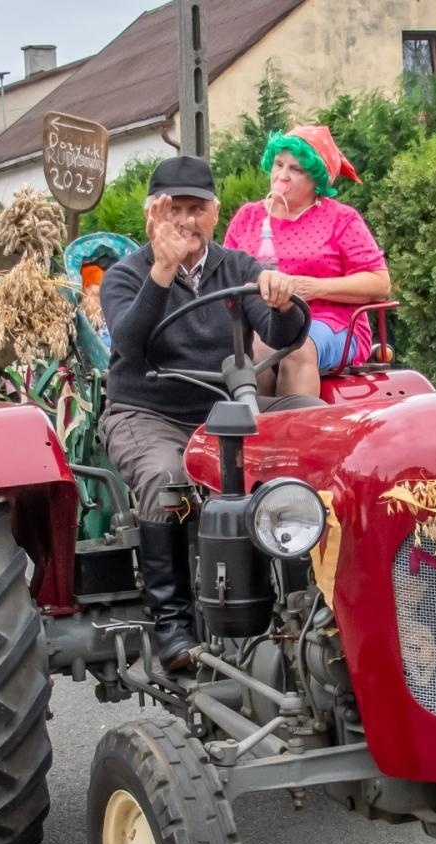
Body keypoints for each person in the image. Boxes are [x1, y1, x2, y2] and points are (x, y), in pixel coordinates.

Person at [99, 154, 311, 672]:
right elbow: (129, 344)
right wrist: (162, 272)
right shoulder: (124, 277)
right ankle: (172, 623)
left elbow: (283, 334)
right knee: (166, 478)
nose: (186, 221)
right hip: (148, 412)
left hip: (225, 412)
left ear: (215, 214)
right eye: (175, 209)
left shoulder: (237, 267)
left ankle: (313, 602)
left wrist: (284, 304)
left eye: (197, 208)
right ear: (153, 215)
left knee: (311, 424)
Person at [222, 124, 391, 397]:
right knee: (252, 351)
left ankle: (297, 435)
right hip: (260, 321)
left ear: (317, 180)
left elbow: (380, 283)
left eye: (296, 170)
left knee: (294, 348)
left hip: (331, 323)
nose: (282, 176)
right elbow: (223, 276)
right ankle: (254, 433)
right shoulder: (248, 217)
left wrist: (314, 287)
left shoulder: (341, 218)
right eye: (278, 164)